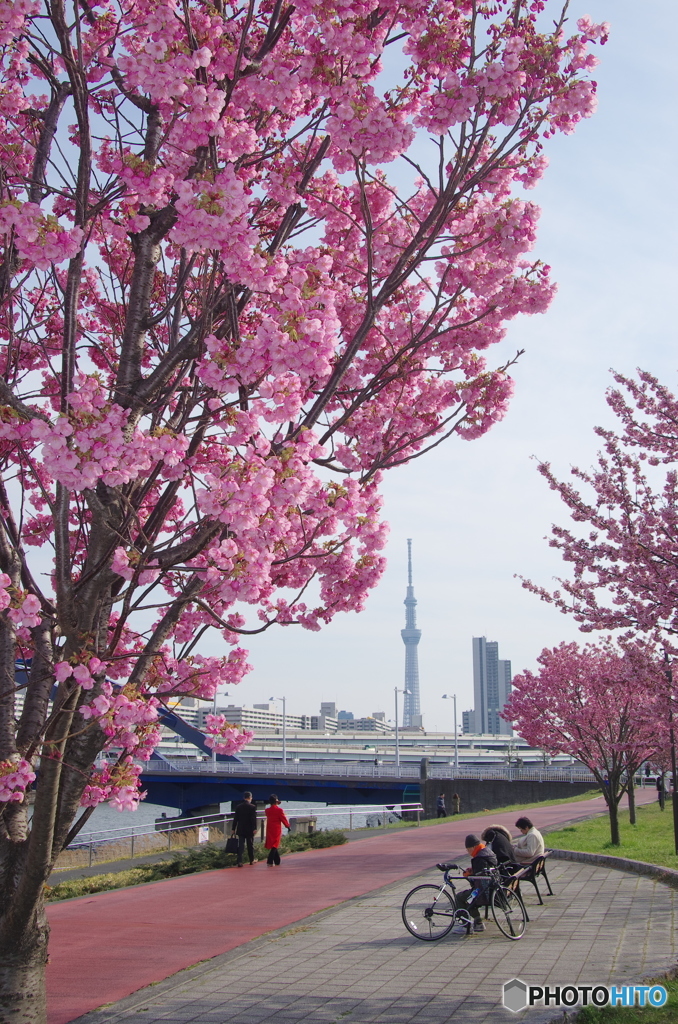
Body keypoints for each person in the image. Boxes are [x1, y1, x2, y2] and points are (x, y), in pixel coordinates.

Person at [437, 834, 497, 933]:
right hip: (491, 888)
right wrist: (473, 872)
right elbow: (483, 872)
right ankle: (478, 923)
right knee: (469, 897)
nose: (468, 853)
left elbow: (478, 880)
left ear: (473, 847)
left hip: (483, 892)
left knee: (461, 897)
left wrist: (469, 876)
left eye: (468, 849)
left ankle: (465, 925)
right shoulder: (487, 852)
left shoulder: (478, 858)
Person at [231, 791, 258, 867]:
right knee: (250, 845)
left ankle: (239, 861)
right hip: (249, 829)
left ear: (244, 798)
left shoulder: (239, 807)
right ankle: (251, 860)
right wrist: (254, 828)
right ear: (250, 798)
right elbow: (253, 819)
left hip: (241, 829)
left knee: (241, 846)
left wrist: (233, 828)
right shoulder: (252, 807)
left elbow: (236, 818)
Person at [265, 794, 291, 865]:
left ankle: (277, 861)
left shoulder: (267, 810)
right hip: (276, 829)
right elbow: (283, 819)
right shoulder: (279, 810)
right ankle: (269, 861)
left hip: (270, 828)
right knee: (275, 844)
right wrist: (288, 826)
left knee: (273, 844)